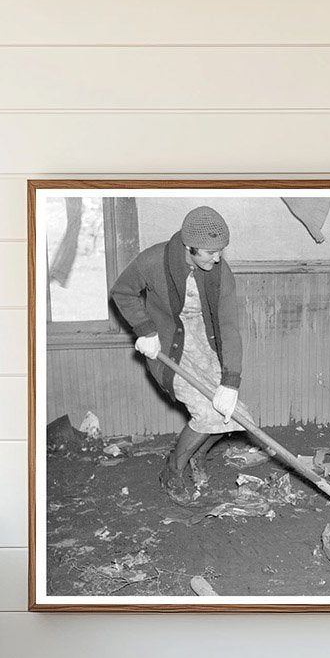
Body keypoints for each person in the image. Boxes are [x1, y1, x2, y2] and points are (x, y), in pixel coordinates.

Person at [110, 205, 251, 505]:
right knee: (207, 410)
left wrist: (231, 381)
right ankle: (172, 469)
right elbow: (122, 291)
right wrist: (145, 330)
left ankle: (196, 456)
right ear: (189, 248)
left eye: (221, 251)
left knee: (233, 413)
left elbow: (229, 326)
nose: (217, 258)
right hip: (166, 344)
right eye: (210, 252)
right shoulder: (154, 260)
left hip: (204, 341)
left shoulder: (220, 272)